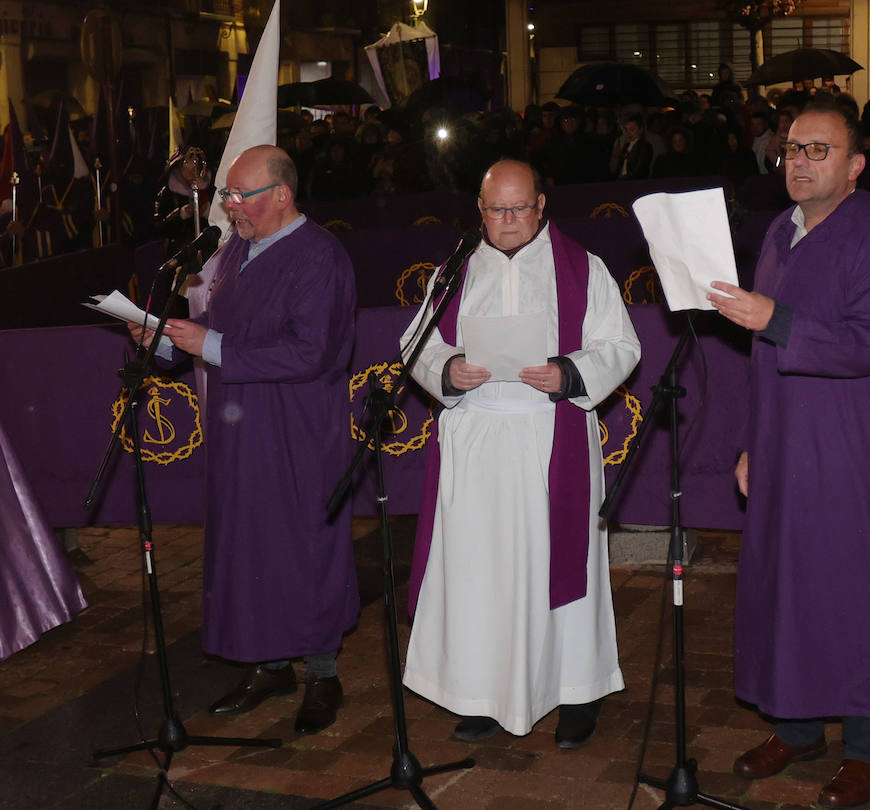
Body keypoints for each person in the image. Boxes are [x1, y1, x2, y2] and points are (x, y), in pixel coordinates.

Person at [707, 104, 870, 808]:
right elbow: (758, 358)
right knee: (785, 584)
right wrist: (750, 440)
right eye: (792, 148)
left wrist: (777, 317)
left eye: (818, 150)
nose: (798, 161)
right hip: (783, 441)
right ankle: (796, 727)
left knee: (854, 589)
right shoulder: (780, 231)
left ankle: (867, 747)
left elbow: (868, 344)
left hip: (851, 445)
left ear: (854, 166)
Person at [401, 159, 641, 748]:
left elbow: (621, 344)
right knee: (480, 571)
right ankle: (484, 691)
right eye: (494, 210)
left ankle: (577, 689)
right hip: (476, 436)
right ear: (478, 211)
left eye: (519, 209)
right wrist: (446, 370)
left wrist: (569, 372)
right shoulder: (455, 269)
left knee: (559, 566)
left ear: (541, 206)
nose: (507, 221)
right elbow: (417, 342)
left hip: (548, 436)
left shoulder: (583, 268)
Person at [128, 144, 359, 735]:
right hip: (240, 428)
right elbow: (218, 337)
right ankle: (272, 664)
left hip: (298, 431)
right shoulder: (233, 253)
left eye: (239, 195)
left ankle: (322, 675)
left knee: (305, 543)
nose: (229, 206)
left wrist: (209, 346)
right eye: (228, 194)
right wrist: (161, 341)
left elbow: (313, 351)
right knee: (253, 545)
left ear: (281, 195)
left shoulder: (320, 256)